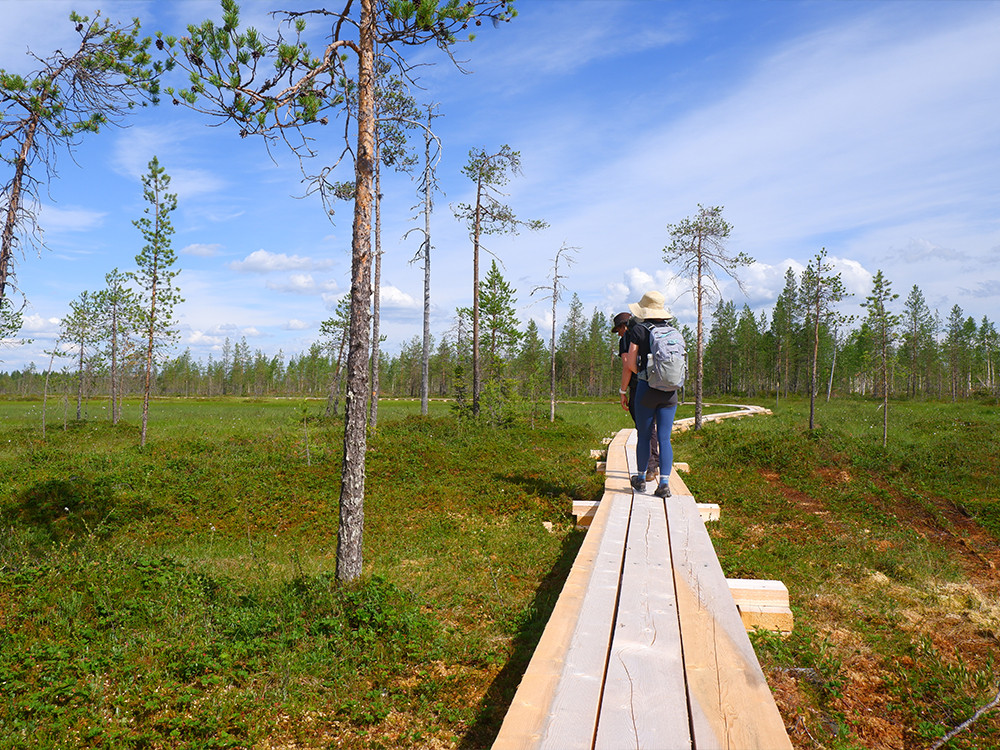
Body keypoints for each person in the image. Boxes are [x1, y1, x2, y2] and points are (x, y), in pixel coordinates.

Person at [618, 291, 679, 498]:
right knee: (665, 438)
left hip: (646, 390)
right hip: (670, 392)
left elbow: (631, 364)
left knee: (644, 436)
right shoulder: (673, 330)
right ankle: (664, 485)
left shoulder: (639, 331)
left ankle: (641, 480)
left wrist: (645, 375)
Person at [612, 311, 659, 480]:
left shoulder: (627, 338)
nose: (619, 334)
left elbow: (627, 366)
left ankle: (650, 467)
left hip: (640, 386)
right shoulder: (649, 331)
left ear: (623, 326)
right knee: (651, 425)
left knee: (643, 427)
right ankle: (655, 462)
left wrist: (623, 391)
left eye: (618, 330)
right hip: (657, 384)